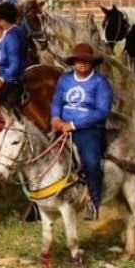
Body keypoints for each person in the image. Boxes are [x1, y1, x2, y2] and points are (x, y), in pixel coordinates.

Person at [51, 43, 114, 220]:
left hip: (89, 129)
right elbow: (57, 102)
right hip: (62, 125)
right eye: (79, 61)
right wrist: (55, 118)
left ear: (92, 63)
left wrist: (73, 124)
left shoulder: (100, 82)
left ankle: (93, 204)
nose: (82, 64)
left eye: (86, 61)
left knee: (91, 163)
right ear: (73, 62)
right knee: (42, 155)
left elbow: (102, 112)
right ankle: (41, 200)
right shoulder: (65, 79)